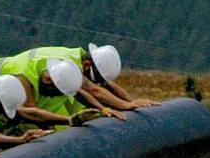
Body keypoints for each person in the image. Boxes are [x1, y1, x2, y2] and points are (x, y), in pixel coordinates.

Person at [13, 45, 160, 112]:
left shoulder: (77, 61)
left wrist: (131, 102)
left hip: (41, 101)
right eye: (96, 78)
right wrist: (125, 105)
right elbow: (93, 89)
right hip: (10, 94)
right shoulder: (67, 65)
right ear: (87, 65)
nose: (97, 82)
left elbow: (105, 85)